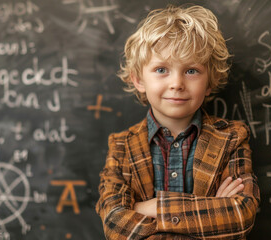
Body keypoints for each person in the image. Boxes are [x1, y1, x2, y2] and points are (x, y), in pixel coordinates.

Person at [95, 5, 260, 240]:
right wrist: (209, 208)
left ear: (210, 82)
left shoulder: (232, 138)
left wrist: (151, 208)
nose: (177, 83)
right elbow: (114, 224)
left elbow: (240, 215)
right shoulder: (121, 146)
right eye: (161, 69)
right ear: (139, 80)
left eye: (191, 71)